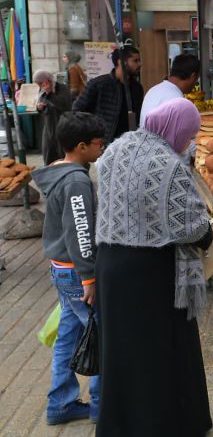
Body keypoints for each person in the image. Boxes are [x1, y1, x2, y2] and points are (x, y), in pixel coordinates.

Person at [94, 98, 213, 436]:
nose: (188, 141)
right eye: (189, 134)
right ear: (176, 129)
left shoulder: (117, 148)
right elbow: (190, 225)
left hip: (111, 265)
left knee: (122, 351)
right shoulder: (166, 163)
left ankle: (120, 424)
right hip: (151, 270)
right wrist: (208, 233)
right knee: (161, 350)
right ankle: (167, 424)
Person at [32, 112, 105, 426]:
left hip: (61, 269)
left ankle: (60, 402)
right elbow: (81, 231)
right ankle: (103, 406)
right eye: (98, 144)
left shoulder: (58, 172)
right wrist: (89, 277)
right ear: (81, 146)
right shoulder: (76, 180)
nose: (102, 148)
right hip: (78, 273)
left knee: (68, 335)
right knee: (99, 335)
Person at [73, 46, 143, 145]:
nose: (139, 64)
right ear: (121, 62)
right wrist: (93, 134)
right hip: (103, 145)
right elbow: (77, 111)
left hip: (128, 144)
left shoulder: (137, 88)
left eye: (139, 60)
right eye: (135, 61)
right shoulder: (99, 84)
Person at [139, 54, 200, 127]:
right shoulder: (177, 100)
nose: (196, 83)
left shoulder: (153, 90)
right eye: (197, 79)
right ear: (193, 77)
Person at [34, 69, 72, 165]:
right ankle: (51, 175)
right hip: (49, 127)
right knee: (48, 152)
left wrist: (49, 93)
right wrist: (39, 108)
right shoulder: (42, 90)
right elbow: (40, 103)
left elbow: (64, 105)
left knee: (63, 154)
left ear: (48, 81)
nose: (40, 86)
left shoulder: (62, 89)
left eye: (41, 83)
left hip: (63, 125)